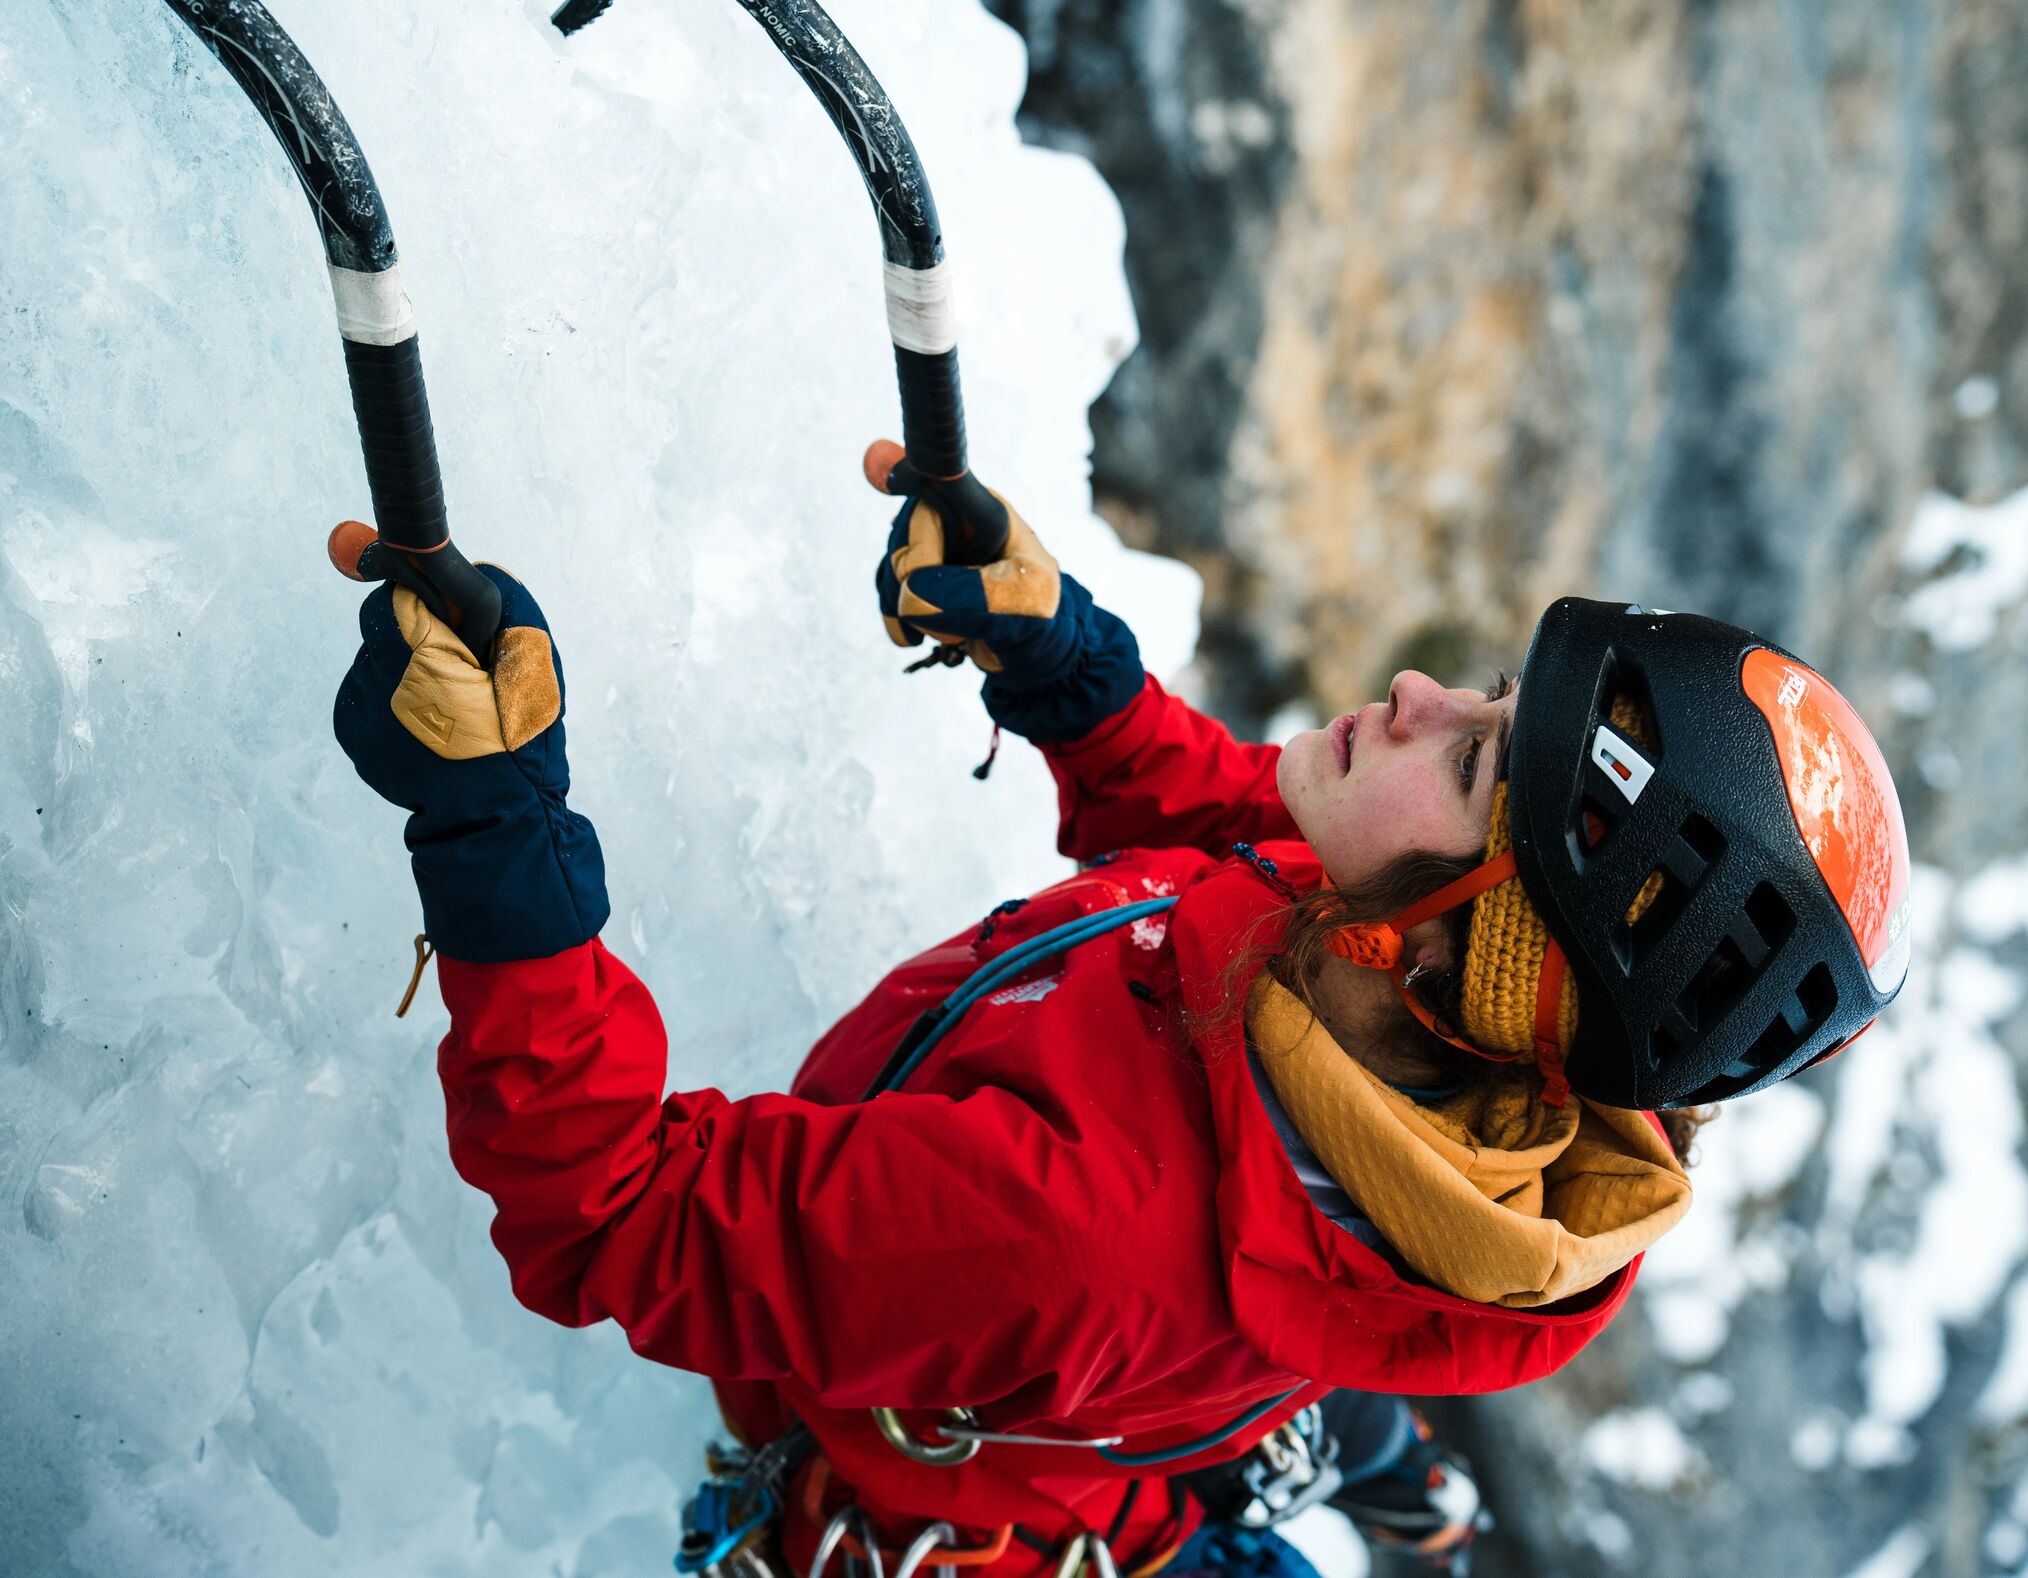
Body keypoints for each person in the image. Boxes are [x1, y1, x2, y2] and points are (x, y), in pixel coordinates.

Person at [329, 455, 1910, 1578]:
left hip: (936, 1417)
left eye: (1471, 756)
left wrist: (497, 834)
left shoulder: (1068, 1225)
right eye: (1491, 692)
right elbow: (1231, 829)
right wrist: (1062, 660)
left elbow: (615, 1210)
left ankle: (1331, 1455)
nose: (1419, 693)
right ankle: (1348, 1455)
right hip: (1146, 1371)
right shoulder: (1398, 980)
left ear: (1466, 957)